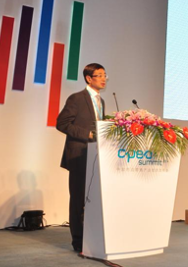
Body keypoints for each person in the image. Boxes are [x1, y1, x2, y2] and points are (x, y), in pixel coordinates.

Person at [56, 63, 107, 252]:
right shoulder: (77, 98)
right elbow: (62, 123)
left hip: (95, 156)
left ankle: (91, 239)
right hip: (78, 155)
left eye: (105, 75)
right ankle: (78, 242)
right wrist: (88, 134)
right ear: (88, 78)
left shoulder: (101, 101)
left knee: (93, 200)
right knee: (78, 200)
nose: (104, 78)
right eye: (99, 75)